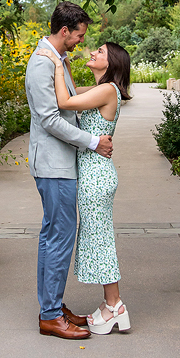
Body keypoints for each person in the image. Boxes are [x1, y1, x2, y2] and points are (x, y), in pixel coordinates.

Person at [25, 2, 114, 340]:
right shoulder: (41, 64)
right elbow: (49, 120)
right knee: (59, 237)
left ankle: (54, 305)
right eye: (78, 35)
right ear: (64, 31)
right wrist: (93, 142)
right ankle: (50, 315)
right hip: (53, 165)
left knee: (56, 235)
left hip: (60, 164)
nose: (80, 42)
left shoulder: (56, 60)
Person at [36, 40, 132, 335]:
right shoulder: (99, 90)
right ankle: (110, 305)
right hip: (94, 173)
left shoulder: (106, 90)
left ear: (112, 62)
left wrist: (54, 63)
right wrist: (62, 63)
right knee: (97, 237)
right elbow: (72, 93)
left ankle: (115, 306)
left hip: (96, 176)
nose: (93, 52)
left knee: (99, 239)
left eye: (100, 52)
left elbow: (64, 102)